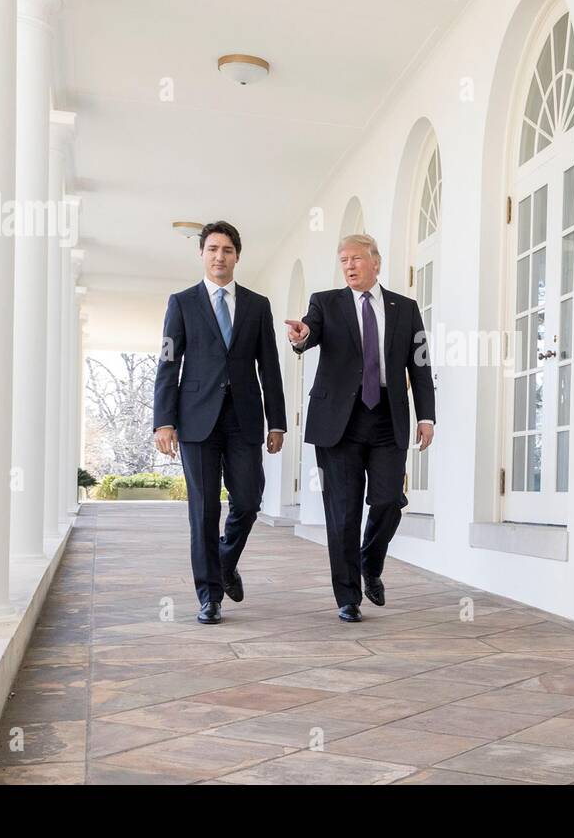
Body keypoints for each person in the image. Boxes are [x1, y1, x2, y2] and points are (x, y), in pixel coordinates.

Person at [283, 233, 435, 622]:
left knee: (389, 501)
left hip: (387, 416)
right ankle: (348, 597)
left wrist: (426, 416)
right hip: (339, 422)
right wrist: (301, 338)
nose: (349, 266)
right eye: (343, 260)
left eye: (356, 259)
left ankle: (370, 560)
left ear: (376, 262)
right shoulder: (325, 303)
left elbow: (419, 365)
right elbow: (309, 333)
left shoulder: (406, 308)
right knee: (343, 512)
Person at [153, 221, 286, 624]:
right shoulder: (181, 303)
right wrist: (164, 421)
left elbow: (271, 366)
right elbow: (168, 363)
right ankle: (209, 596)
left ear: (237, 256)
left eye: (227, 250)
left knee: (248, 500)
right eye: (212, 249)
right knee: (204, 510)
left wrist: (276, 421)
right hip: (195, 422)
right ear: (202, 254)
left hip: (244, 417)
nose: (219, 257)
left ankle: (226, 561)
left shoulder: (257, 304)